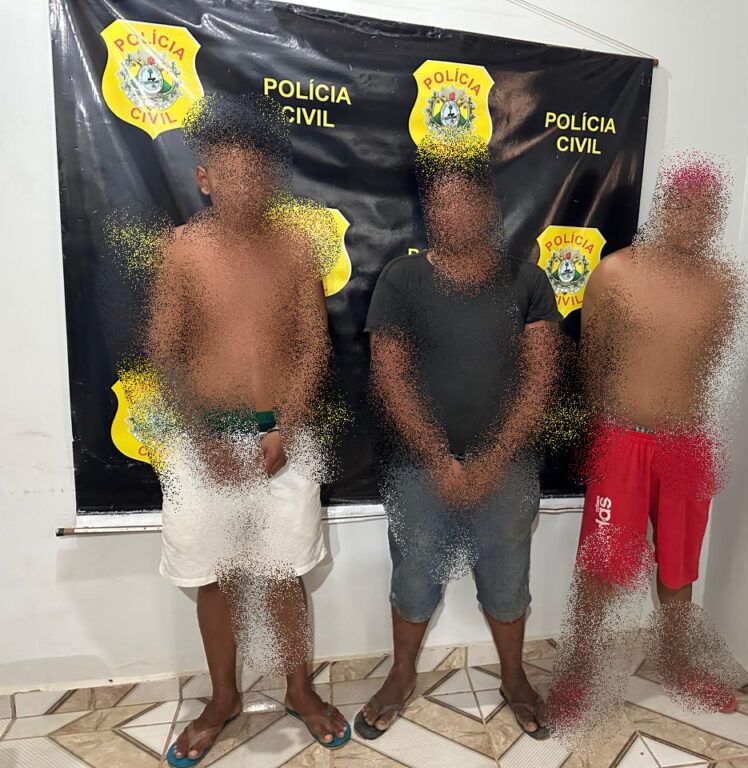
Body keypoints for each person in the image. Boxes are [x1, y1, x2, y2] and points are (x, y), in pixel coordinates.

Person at [145, 94, 349, 766]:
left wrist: (285, 429)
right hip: (199, 443)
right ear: (204, 179)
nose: (244, 185)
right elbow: (165, 353)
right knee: (214, 577)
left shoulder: (296, 247)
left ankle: (299, 690)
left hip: (284, 440)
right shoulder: (181, 251)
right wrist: (204, 440)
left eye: (255, 173)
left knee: (285, 574)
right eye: (229, 174)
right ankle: (223, 698)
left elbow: (315, 346)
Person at [357, 133, 562, 740]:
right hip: (419, 468)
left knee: (508, 577)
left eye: (467, 200)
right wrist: (440, 460)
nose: (455, 213)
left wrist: (494, 458)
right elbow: (389, 378)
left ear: (489, 205)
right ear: (429, 211)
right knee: (414, 576)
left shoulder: (528, 280)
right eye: (441, 202)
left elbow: (540, 380)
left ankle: (513, 676)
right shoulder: (402, 280)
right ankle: (401, 674)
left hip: (509, 466)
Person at [549, 157, 746, 728]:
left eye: (705, 210)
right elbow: (592, 360)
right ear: (662, 207)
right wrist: (605, 434)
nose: (693, 219)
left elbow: (704, 364)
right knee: (602, 565)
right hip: (622, 441)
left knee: (680, 565)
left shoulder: (724, 285)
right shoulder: (615, 273)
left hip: (688, 445)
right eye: (683, 206)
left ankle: (677, 662)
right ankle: (579, 671)